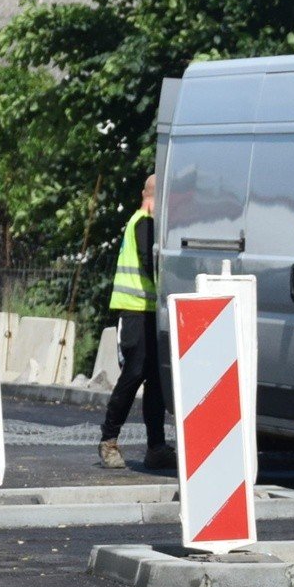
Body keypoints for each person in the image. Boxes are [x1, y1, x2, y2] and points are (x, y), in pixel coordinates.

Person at [99, 174, 176, 470]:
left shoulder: (143, 221)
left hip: (148, 311)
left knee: (155, 380)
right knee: (133, 375)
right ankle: (108, 440)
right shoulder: (144, 221)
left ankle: (155, 446)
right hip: (135, 311)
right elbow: (150, 263)